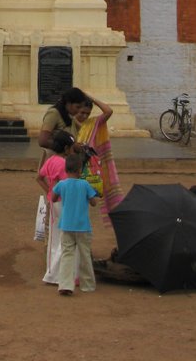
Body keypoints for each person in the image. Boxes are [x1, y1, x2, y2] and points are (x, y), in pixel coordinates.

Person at [52, 153, 99, 296]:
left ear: (66, 169)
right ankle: (88, 284)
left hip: (66, 225)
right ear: (80, 170)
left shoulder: (62, 184)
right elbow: (93, 202)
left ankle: (65, 284)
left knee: (67, 254)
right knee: (85, 255)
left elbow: (54, 198)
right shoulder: (85, 184)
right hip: (83, 226)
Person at [71, 92, 123, 217]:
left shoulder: (93, 123)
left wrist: (92, 99)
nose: (84, 116)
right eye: (81, 112)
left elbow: (108, 111)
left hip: (87, 166)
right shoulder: (69, 122)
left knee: (83, 196)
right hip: (72, 163)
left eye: (87, 113)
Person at [36, 130, 76, 284]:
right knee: (64, 238)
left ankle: (52, 271)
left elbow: (39, 177)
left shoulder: (51, 160)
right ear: (66, 148)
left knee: (53, 237)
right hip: (63, 203)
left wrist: (49, 192)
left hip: (53, 202)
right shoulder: (65, 164)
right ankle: (58, 273)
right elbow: (68, 184)